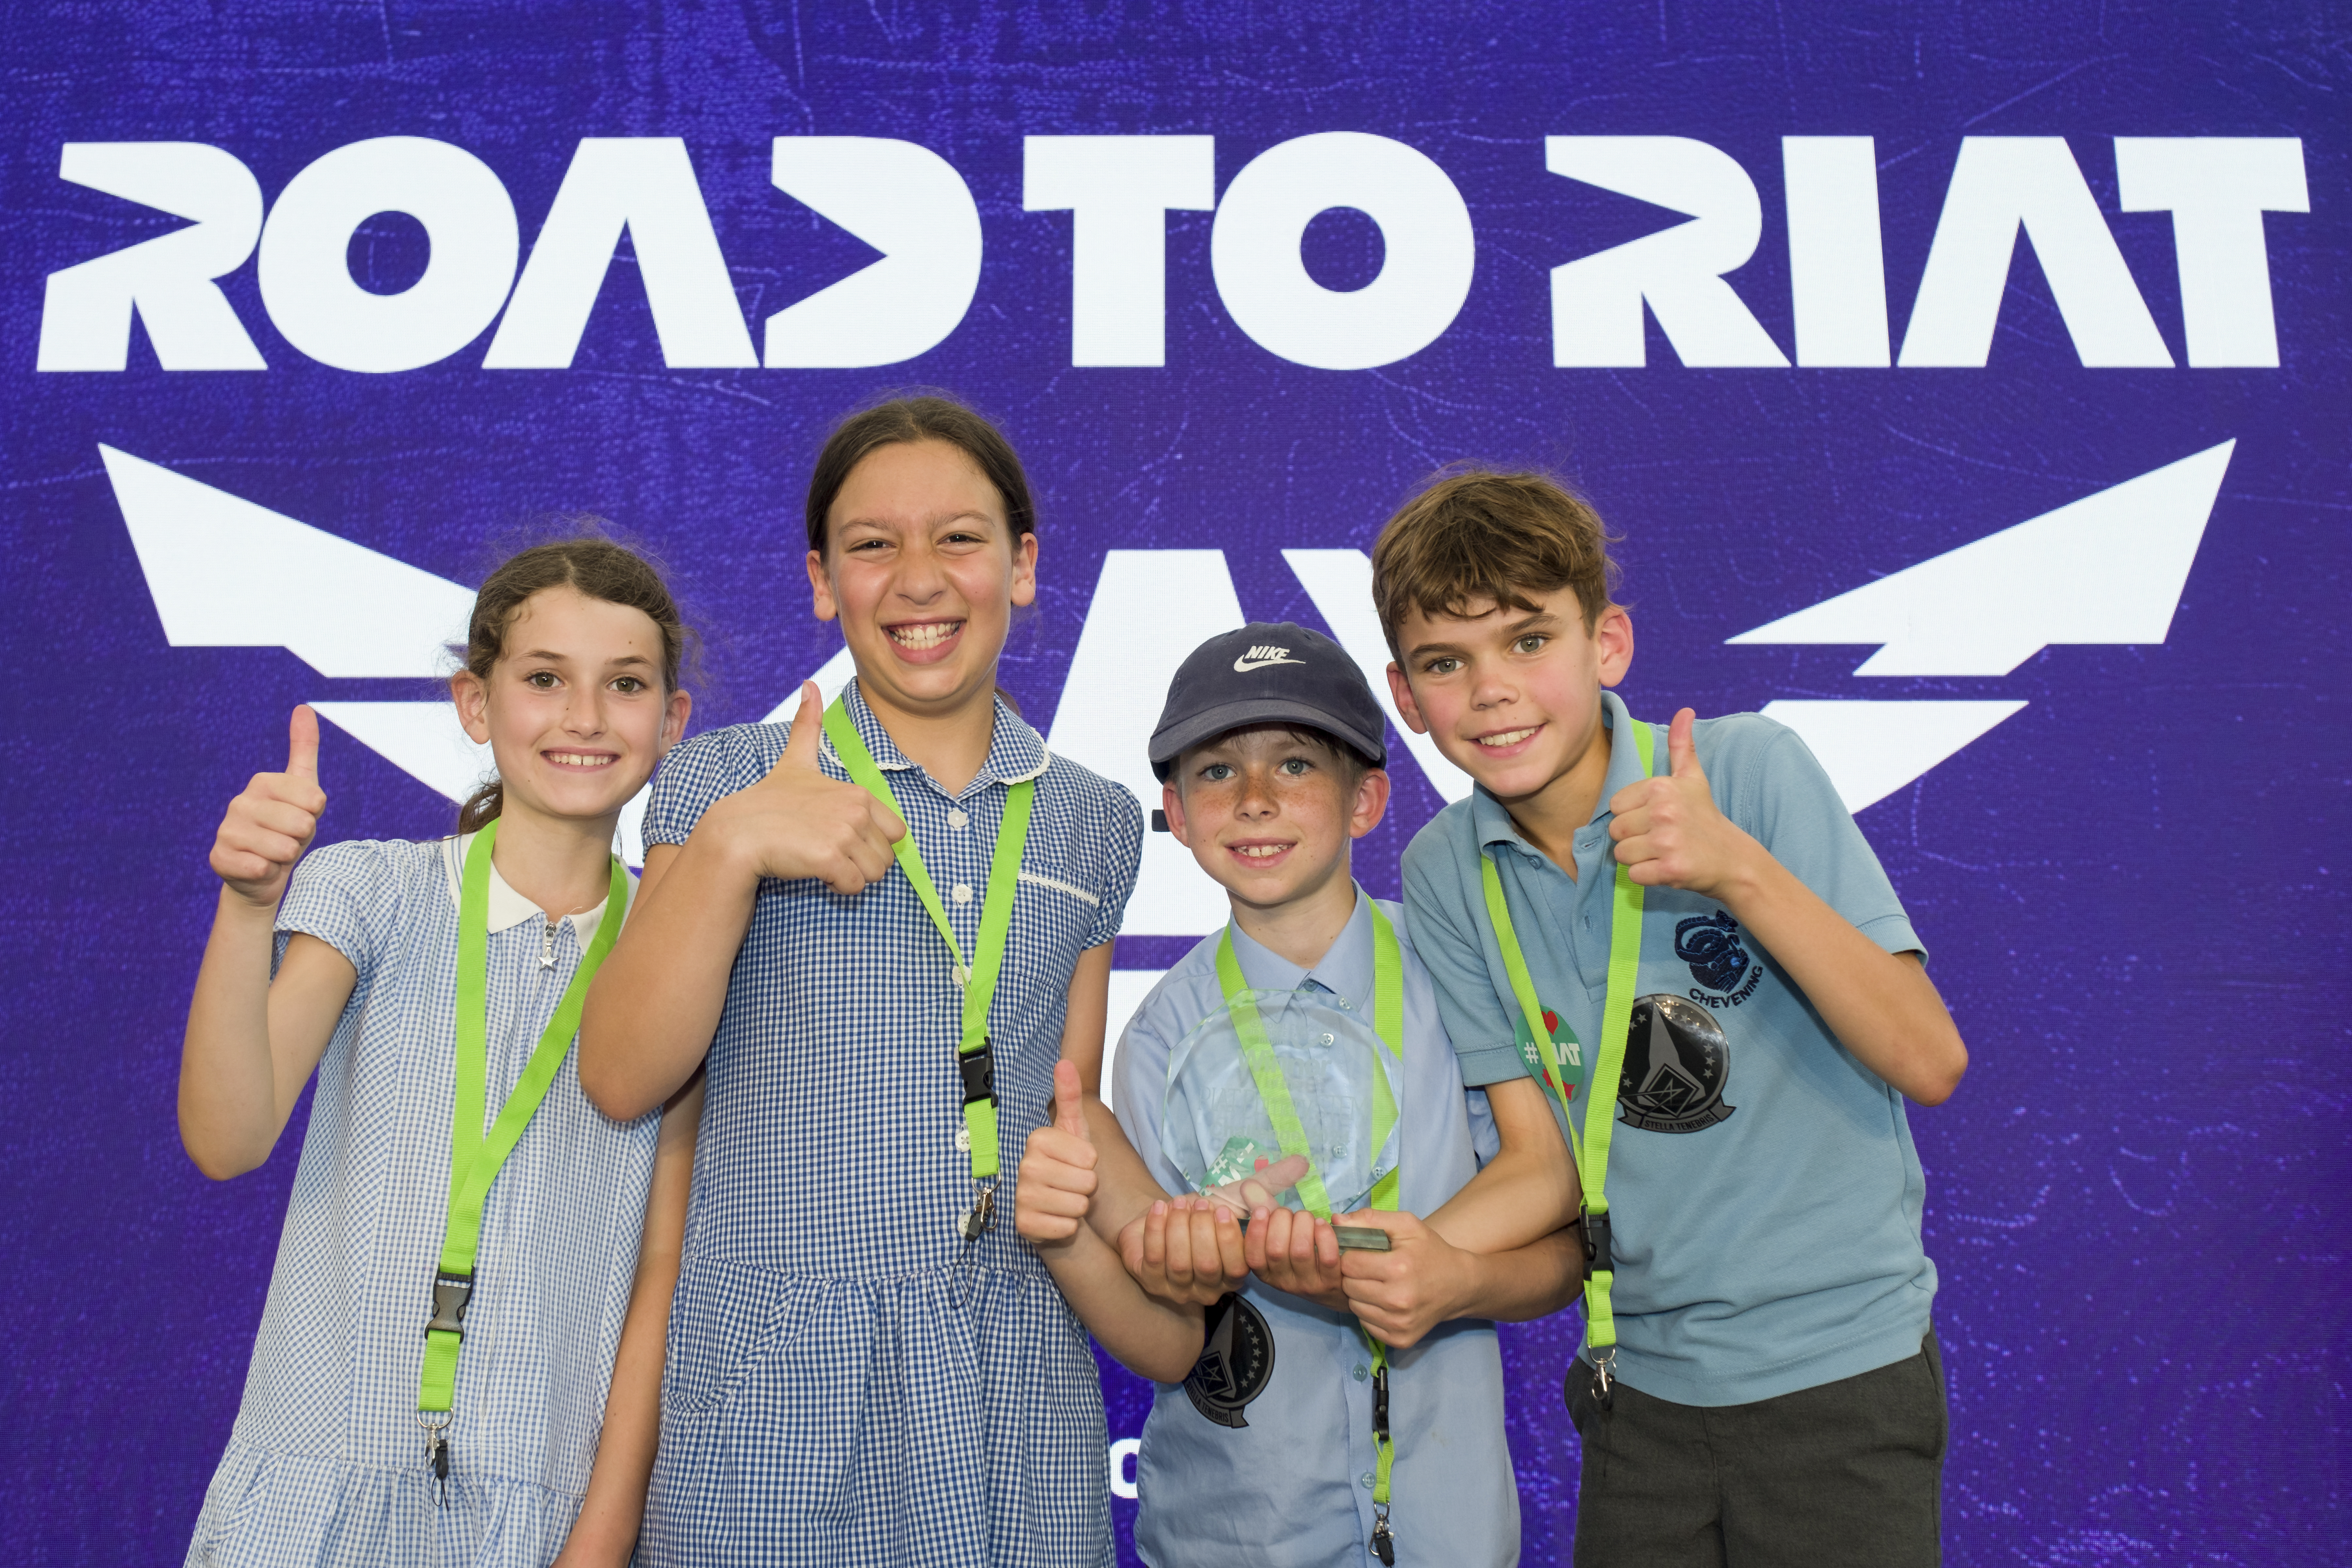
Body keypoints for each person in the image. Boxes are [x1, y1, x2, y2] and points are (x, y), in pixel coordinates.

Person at [577, 394, 1151, 1568]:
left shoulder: (1092, 820)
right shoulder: (721, 780)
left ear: (1023, 565)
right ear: (822, 580)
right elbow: (624, 1075)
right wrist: (739, 844)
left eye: (960, 538)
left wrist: (1191, 1243)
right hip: (774, 1392)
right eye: (873, 545)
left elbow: (1067, 1111)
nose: (920, 579)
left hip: (1009, 1384)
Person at [1377, 468, 1970, 1568]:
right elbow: (1545, 1163)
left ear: (1608, 646)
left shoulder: (1745, 771)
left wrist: (1737, 872)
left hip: (1839, 1376)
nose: (1492, 690)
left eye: (1526, 640)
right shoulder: (1446, 870)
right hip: (1638, 1391)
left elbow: (1927, 1057)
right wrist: (1379, 1255)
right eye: (1445, 663)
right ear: (1406, 698)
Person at [1016, 622, 1587, 1568]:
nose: (1252, 801)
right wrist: (1164, 1253)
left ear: (1367, 800)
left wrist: (1454, 1278)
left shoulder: (1464, 979)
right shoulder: (1161, 1036)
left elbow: (1564, 1252)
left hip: (1451, 1530)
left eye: (1293, 765)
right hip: (1239, 1534)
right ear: (1177, 813)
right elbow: (1170, 1318)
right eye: (1214, 774)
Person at [178, 536, 701, 1566]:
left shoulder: (679, 954)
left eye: (626, 684)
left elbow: (661, 1269)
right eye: (544, 679)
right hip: (314, 1484)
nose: (585, 717)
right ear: (476, 703)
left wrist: (599, 1537)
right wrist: (247, 910)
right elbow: (228, 1138)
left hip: (540, 1503)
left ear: (672, 720)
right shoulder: (372, 891)